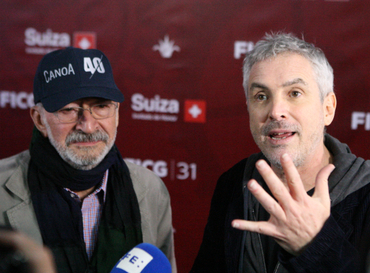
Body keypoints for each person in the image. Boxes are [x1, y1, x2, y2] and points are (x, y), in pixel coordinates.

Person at [191, 32, 370, 272]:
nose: (276, 111)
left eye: (294, 93)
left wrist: (315, 245)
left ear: (327, 108)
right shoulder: (234, 183)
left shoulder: (366, 193)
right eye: (261, 97)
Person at [0, 47, 176, 273]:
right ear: (39, 119)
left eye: (101, 107)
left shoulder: (151, 190)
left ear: (117, 113)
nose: (88, 126)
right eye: (69, 110)